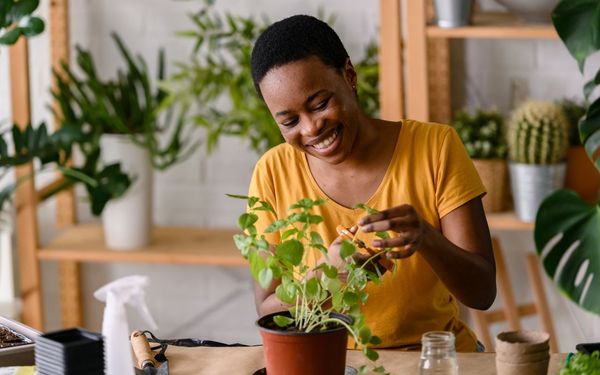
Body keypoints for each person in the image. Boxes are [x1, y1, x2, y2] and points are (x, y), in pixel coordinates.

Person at [247, 14, 496, 352]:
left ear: (349, 75)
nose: (311, 128)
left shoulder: (435, 147)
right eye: (290, 121)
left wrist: (426, 237)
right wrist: (325, 276)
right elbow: (267, 309)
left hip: (435, 359)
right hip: (328, 362)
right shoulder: (272, 172)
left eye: (320, 104)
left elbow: (482, 292)